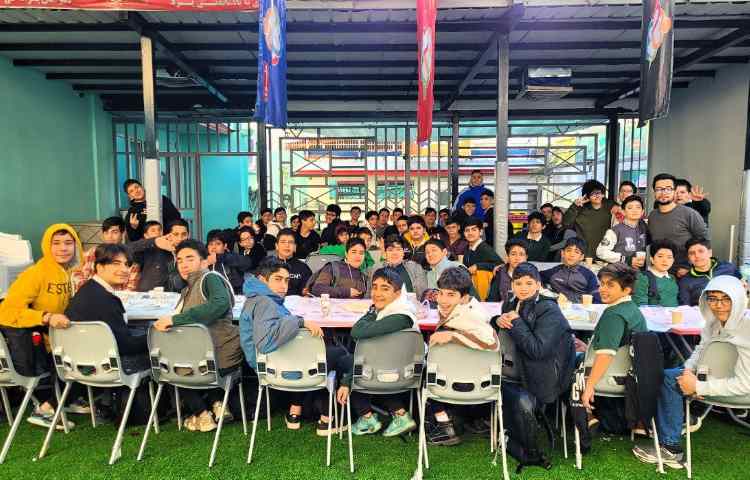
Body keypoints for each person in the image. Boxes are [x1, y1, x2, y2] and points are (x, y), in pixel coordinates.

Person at [632, 275, 750, 469]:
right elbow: (700, 350)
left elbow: (746, 385)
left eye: (726, 299)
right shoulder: (712, 322)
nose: (718, 305)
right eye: (713, 298)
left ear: (738, 299)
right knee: (669, 376)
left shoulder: (747, 328)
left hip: (739, 392)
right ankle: (672, 440)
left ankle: (672, 442)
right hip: (711, 378)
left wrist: (700, 387)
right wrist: (688, 371)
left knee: (671, 378)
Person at [240, 258, 348, 435]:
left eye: (286, 280)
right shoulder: (265, 302)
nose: (284, 286)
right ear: (262, 280)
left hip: (273, 362)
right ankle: (328, 418)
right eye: (277, 279)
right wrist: (299, 321)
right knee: (340, 355)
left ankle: (295, 411)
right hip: (271, 365)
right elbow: (266, 342)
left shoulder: (259, 298)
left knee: (324, 353)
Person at [153, 240, 243, 432]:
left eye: (190, 258)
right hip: (202, 357)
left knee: (166, 362)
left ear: (204, 262)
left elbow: (220, 304)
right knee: (173, 359)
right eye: (179, 260)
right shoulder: (187, 289)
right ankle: (217, 405)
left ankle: (201, 413)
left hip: (218, 356)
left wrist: (175, 320)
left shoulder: (210, 278)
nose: (183, 264)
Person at [492, 263, 576, 466]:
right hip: (516, 369)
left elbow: (537, 350)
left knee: (519, 398)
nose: (523, 288)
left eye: (529, 283)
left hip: (545, 375)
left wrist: (516, 322)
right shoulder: (510, 303)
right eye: (518, 283)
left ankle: (527, 447)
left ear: (538, 285)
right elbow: (507, 332)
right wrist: (497, 320)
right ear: (512, 284)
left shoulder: (549, 309)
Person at [0, 224, 81, 429]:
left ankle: (67, 399)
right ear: (46, 246)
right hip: (40, 345)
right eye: (56, 243)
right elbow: (6, 311)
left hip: (59, 337)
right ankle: (45, 408)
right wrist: (45, 317)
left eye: (68, 243)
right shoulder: (36, 274)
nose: (63, 248)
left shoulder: (69, 272)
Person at [342, 268, 419, 437]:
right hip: (393, 369)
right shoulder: (392, 310)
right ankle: (397, 414)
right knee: (353, 361)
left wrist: (371, 311)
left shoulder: (401, 316)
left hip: (398, 373)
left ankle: (368, 417)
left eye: (385, 288)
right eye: (375, 287)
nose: (377, 293)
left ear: (397, 294)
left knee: (346, 362)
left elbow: (357, 331)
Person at [427, 267, 500, 445]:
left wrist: (453, 336)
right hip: (476, 382)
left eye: (451, 295)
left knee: (425, 367)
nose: (443, 300)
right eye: (441, 293)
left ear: (464, 298)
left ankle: (444, 424)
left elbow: (492, 342)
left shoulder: (470, 316)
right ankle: (475, 418)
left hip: (458, 381)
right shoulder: (461, 308)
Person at [581, 263, 647, 429]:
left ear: (626, 290)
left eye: (610, 285)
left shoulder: (614, 315)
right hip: (631, 375)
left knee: (564, 361)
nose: (602, 289)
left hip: (611, 377)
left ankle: (585, 414)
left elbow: (606, 355)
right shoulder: (632, 308)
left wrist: (589, 387)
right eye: (602, 284)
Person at [65, 244, 148, 374]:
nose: (124, 269)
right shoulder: (106, 300)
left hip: (78, 363)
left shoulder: (88, 289)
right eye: (116, 263)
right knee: (160, 351)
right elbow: (127, 347)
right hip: (106, 367)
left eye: (126, 264)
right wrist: (154, 336)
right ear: (99, 267)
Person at [647, 173, 708, 275]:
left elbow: (705, 243)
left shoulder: (689, 213)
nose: (663, 192)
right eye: (659, 189)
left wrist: (693, 268)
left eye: (668, 189)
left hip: (685, 273)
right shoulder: (652, 216)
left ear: (674, 192)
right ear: (654, 192)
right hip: (660, 273)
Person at [72, 216, 132, 293]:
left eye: (114, 232)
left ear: (123, 233)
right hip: (93, 293)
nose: (110, 236)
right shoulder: (93, 252)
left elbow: (131, 282)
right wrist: (87, 289)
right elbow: (79, 273)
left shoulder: (127, 255)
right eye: (106, 233)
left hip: (119, 296)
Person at [126, 219, 189, 292]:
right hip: (149, 295)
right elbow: (127, 248)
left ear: (188, 235)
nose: (180, 238)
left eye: (184, 234)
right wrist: (154, 241)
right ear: (168, 235)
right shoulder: (154, 250)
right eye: (176, 234)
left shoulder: (192, 253)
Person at [563, 179, 619, 259]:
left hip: (605, 254)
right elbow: (566, 223)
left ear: (603, 194)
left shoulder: (610, 207)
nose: (597, 196)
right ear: (587, 196)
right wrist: (575, 205)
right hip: (584, 255)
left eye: (598, 193)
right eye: (592, 193)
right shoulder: (579, 209)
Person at [678, 238, 741, 306]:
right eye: (692, 253)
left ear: (710, 253)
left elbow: (743, 286)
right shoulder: (685, 281)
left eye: (701, 251)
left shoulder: (728, 267)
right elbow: (685, 308)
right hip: (702, 312)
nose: (697, 256)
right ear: (688, 257)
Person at [540, 238, 599, 304]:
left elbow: (596, 296)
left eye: (576, 252)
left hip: (579, 307)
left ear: (582, 257)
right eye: (568, 250)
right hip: (556, 305)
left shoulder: (588, 275)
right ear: (562, 253)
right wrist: (545, 290)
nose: (571, 255)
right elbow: (536, 276)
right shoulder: (555, 271)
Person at [596, 195, 648, 268]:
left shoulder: (645, 228)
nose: (635, 210)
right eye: (630, 208)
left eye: (638, 207)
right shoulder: (615, 231)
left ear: (642, 212)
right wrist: (624, 259)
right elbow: (601, 252)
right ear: (623, 212)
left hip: (640, 272)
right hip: (620, 271)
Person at [368, 236, 427, 300]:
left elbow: (422, 294)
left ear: (403, 252)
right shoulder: (377, 268)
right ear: (385, 253)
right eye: (390, 250)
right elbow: (369, 295)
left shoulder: (415, 268)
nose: (395, 253)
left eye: (398, 249)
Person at [206, 229, 255, 294]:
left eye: (218, 244)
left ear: (225, 246)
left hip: (235, 296)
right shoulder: (203, 261)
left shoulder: (231, 257)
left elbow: (247, 263)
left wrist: (219, 257)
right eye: (211, 244)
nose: (214, 247)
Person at [632, 240, 679, 307]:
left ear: (673, 261)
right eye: (660, 256)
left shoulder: (672, 278)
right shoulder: (643, 277)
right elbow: (640, 305)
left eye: (669, 257)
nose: (665, 260)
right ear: (652, 259)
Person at [272, 229, 313, 297]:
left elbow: (307, 292)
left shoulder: (303, 268)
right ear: (276, 246)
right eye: (283, 242)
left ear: (295, 247)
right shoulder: (268, 265)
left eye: (290, 242)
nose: (287, 245)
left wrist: (306, 293)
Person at [487, 238, 529, 304]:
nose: (517, 258)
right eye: (513, 254)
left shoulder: (532, 275)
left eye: (521, 254)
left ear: (526, 257)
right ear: (507, 257)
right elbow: (492, 301)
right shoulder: (500, 274)